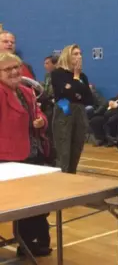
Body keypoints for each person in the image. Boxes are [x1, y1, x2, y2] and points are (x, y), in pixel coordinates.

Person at [0, 52, 52, 257]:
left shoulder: (26, 91)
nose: (14, 72)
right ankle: (27, 243)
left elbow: (37, 113)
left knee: (36, 202)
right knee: (18, 205)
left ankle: (30, 243)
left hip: (34, 153)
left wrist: (42, 121)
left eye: (16, 67)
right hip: (9, 157)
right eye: (7, 69)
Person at [51, 44, 92, 173]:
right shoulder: (58, 73)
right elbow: (66, 94)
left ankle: (72, 175)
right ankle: (62, 177)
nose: (79, 56)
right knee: (64, 149)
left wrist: (74, 89)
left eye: (80, 53)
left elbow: (89, 99)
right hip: (64, 110)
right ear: (67, 56)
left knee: (77, 146)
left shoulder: (83, 76)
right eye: (75, 54)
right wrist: (75, 79)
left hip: (80, 112)